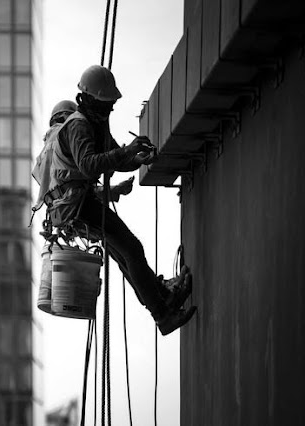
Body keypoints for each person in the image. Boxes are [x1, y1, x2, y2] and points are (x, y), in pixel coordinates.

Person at [44, 65, 196, 335]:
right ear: (90, 99)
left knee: (126, 254)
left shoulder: (96, 122)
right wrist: (129, 150)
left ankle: (163, 299)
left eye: (111, 104)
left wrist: (138, 158)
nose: (111, 109)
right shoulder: (79, 124)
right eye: (107, 104)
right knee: (131, 249)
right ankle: (163, 314)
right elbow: (90, 166)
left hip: (77, 204)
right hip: (76, 205)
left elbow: (115, 156)